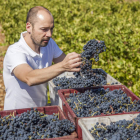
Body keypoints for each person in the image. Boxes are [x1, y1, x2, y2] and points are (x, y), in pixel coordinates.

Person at [3, 6, 82, 110]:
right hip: (16, 117)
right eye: (44, 29)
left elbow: (70, 64)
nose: (49, 34)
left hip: (40, 113)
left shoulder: (48, 44)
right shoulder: (15, 52)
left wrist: (87, 55)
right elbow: (29, 78)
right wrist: (63, 66)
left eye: (51, 29)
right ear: (29, 27)